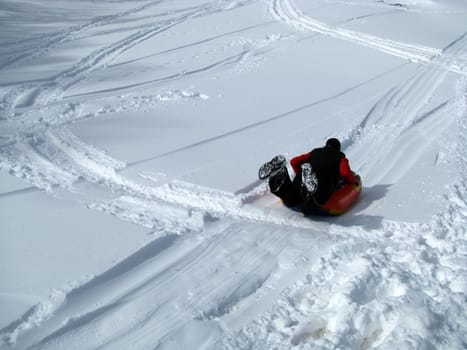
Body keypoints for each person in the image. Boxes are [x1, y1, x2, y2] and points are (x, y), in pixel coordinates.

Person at [258, 138, 357, 214]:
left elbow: (294, 162)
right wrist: (353, 182)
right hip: (320, 187)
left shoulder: (314, 152)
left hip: (299, 183)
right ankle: (310, 188)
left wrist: (298, 174)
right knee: (318, 199)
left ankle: (279, 174)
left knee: (291, 198)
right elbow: (345, 173)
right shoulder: (340, 157)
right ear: (338, 148)